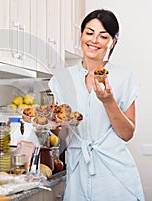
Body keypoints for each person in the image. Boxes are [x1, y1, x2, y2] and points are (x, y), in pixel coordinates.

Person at [49, 9, 145, 201]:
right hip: (78, 172)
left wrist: (108, 101)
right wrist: (55, 127)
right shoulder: (62, 79)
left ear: (113, 42)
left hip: (114, 173)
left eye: (103, 36)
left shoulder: (124, 78)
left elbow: (127, 134)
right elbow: (64, 134)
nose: (94, 40)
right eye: (89, 32)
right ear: (81, 35)